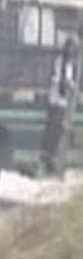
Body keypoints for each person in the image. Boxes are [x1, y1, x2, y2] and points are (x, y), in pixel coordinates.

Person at [41, 36, 78, 175]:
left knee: (59, 128)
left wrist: (71, 85)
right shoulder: (60, 62)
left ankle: (51, 156)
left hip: (62, 100)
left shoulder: (70, 64)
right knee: (55, 127)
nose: (71, 51)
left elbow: (70, 81)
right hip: (55, 98)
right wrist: (68, 84)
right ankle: (47, 155)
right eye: (70, 48)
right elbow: (58, 79)